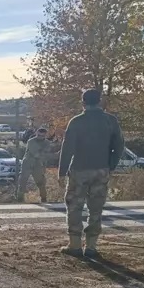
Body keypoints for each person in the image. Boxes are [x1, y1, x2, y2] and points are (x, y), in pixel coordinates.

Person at [58, 89, 125, 257]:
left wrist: (62, 171)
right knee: (96, 208)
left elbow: (67, 149)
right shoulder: (110, 121)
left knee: (74, 206)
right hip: (101, 169)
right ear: (99, 101)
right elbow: (119, 146)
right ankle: (91, 247)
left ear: (83, 102)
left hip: (79, 170)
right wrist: (110, 166)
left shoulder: (76, 122)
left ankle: (74, 245)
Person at [17, 126, 50, 203]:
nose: (40, 137)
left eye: (42, 136)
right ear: (36, 134)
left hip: (38, 164)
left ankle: (44, 199)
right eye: (39, 135)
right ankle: (20, 199)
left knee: (41, 181)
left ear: (45, 135)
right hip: (28, 163)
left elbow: (46, 155)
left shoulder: (47, 142)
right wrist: (45, 153)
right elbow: (37, 154)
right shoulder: (31, 141)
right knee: (23, 180)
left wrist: (44, 165)